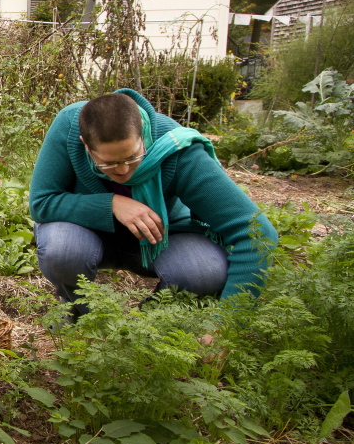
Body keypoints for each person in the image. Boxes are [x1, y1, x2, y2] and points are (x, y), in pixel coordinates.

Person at [29, 88, 277, 321]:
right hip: (85, 235)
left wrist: (227, 324)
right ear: (86, 145)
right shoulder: (69, 128)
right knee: (62, 251)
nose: (123, 170)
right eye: (108, 164)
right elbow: (42, 202)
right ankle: (80, 315)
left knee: (205, 270)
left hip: (159, 237)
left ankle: (148, 323)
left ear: (143, 136)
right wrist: (112, 204)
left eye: (133, 157)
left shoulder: (176, 149)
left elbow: (254, 232)